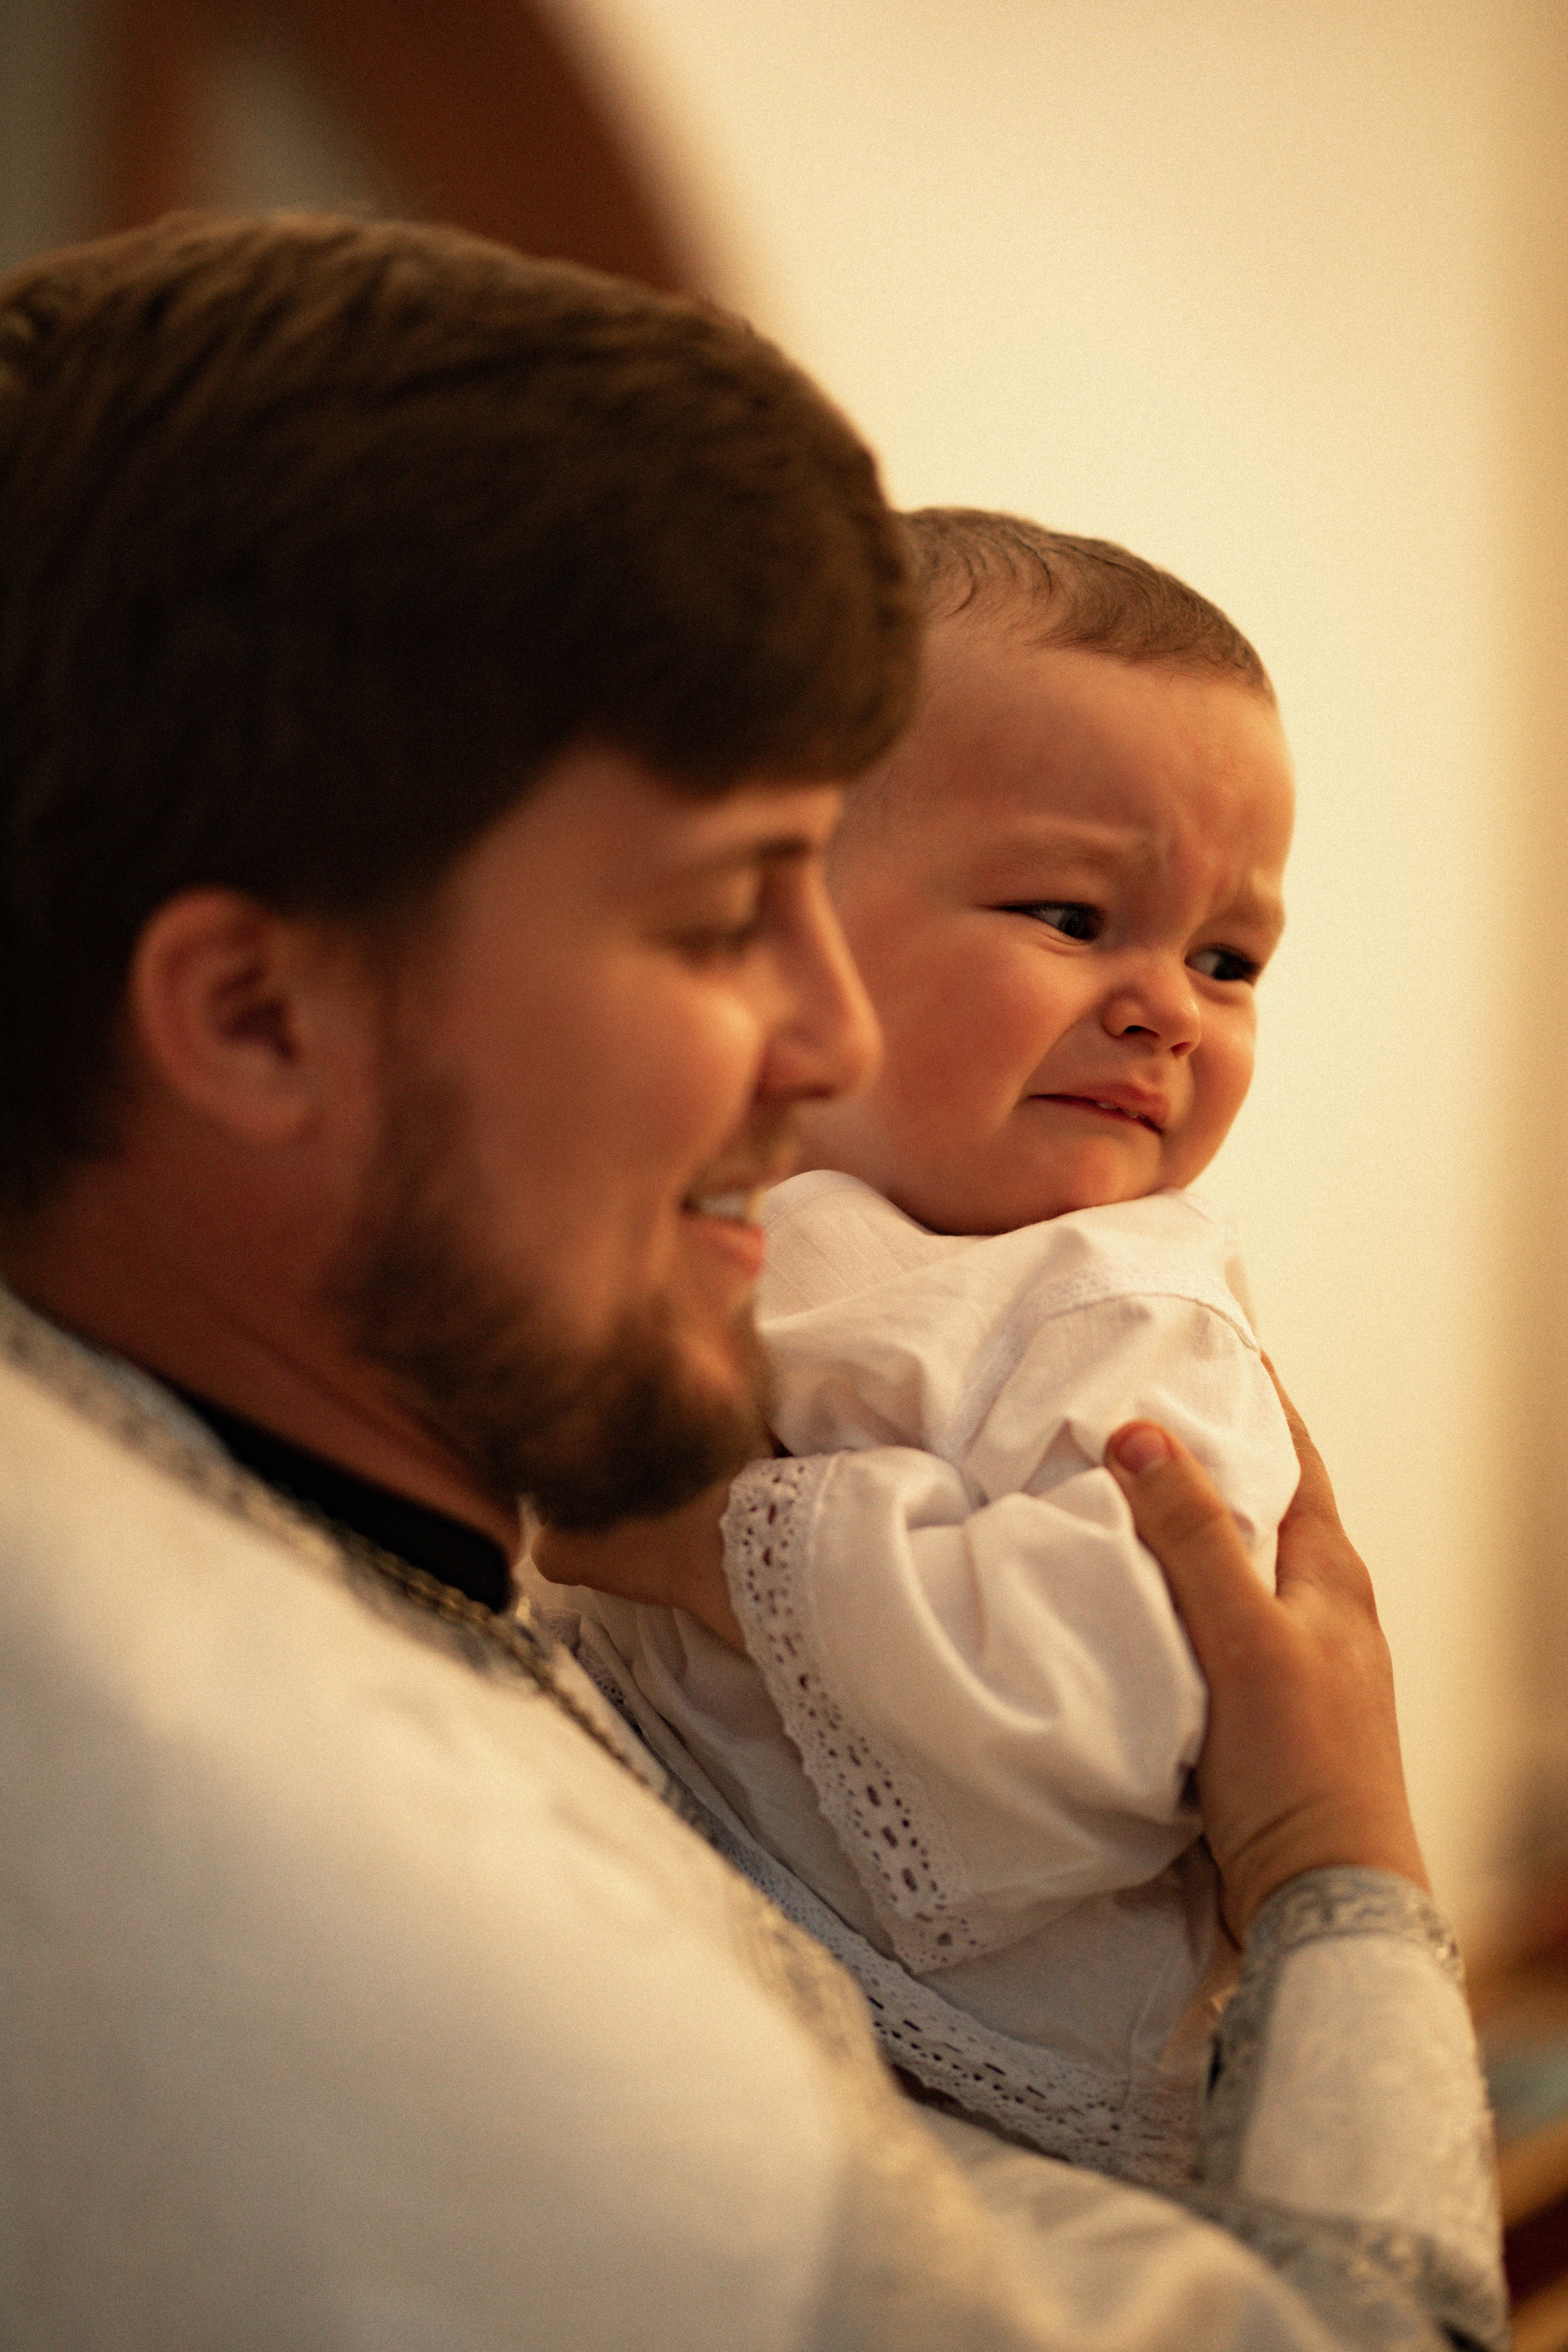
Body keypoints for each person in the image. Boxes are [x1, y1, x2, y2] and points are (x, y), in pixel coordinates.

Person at [0, 211, 1503, 2351]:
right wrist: (1342, 1883)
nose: (824, 1042)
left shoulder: (227, 1513)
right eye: (724, 915)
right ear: (255, 1018)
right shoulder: (319, 1880)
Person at [532, 511, 1300, 2190]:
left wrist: (702, 1545)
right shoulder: (734, 1206)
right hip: (690, 1954)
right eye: (1074, 914)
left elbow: (1120, 1709)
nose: (1172, 1004)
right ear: (781, 914)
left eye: (1230, 957)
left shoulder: (1120, 1306)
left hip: (1007, 2087)